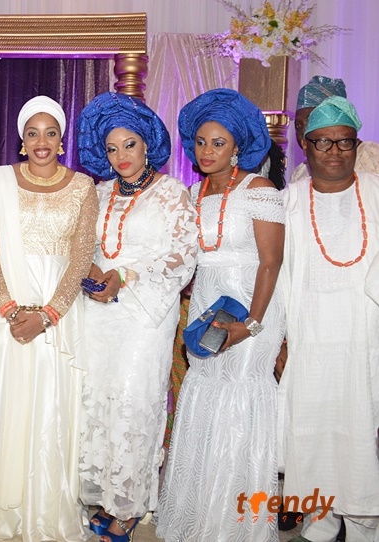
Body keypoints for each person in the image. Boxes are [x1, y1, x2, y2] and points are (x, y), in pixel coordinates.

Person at [0, 96, 99, 542]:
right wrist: (10, 310)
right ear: (21, 139)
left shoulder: (83, 186)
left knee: (50, 402)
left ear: (62, 140)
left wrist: (48, 314)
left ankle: (43, 507)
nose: (41, 141)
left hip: (59, 310)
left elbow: (81, 255)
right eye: (33, 133)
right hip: (2, 310)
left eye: (50, 133)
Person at [155, 88, 286, 542]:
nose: (206, 151)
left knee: (239, 398)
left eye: (218, 143)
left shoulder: (260, 191)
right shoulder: (192, 193)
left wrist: (250, 324)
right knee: (203, 393)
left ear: (238, 147)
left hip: (253, 307)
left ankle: (234, 525)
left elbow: (271, 262)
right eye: (200, 142)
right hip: (207, 305)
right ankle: (196, 518)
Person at [75, 92, 197, 542]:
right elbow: (83, 246)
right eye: (112, 148)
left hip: (146, 314)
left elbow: (184, 255)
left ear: (147, 144)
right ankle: (99, 495)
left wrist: (124, 276)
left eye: (129, 144)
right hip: (99, 313)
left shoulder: (171, 192)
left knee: (134, 401)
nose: (121, 156)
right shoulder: (98, 193)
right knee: (96, 400)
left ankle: (128, 506)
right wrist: (91, 270)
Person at [279, 96, 379, 542]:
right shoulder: (287, 202)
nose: (335, 151)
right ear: (305, 145)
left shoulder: (376, 192)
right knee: (312, 427)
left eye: (344, 142)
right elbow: (273, 273)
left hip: (366, 337)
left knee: (361, 429)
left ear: (357, 145)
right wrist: (278, 340)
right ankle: (320, 522)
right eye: (323, 142)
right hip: (309, 336)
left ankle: (364, 524)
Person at [291, 76, 379, 183]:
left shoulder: (373, 155)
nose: (304, 131)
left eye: (312, 121)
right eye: (298, 126)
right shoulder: (300, 173)